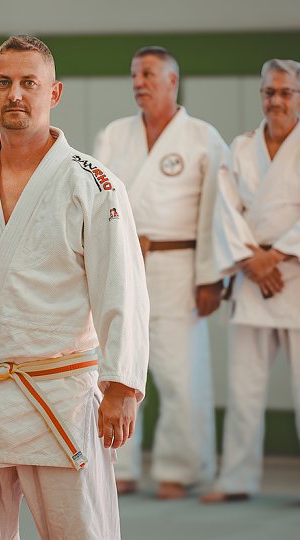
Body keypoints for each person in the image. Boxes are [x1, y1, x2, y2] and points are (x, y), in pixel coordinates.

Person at [0, 35, 149, 540]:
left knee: (79, 532)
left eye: (29, 83)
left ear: (55, 92)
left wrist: (122, 387)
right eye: (2, 82)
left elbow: (122, 287)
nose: (15, 94)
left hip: (58, 395)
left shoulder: (93, 183)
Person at [94, 46, 230, 499]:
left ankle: (180, 467)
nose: (139, 82)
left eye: (148, 74)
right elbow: (96, 205)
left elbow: (217, 211)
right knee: (117, 364)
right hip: (124, 260)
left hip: (179, 264)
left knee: (179, 372)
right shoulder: (115, 134)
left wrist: (212, 276)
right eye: (134, 74)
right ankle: (119, 463)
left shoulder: (202, 137)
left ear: (173, 80)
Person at [201, 58, 300, 504]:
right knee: (243, 388)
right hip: (250, 275)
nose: (275, 100)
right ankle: (236, 478)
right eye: (268, 92)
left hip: (293, 274)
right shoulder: (240, 148)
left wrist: (275, 255)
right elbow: (224, 210)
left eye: (285, 92)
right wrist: (252, 259)